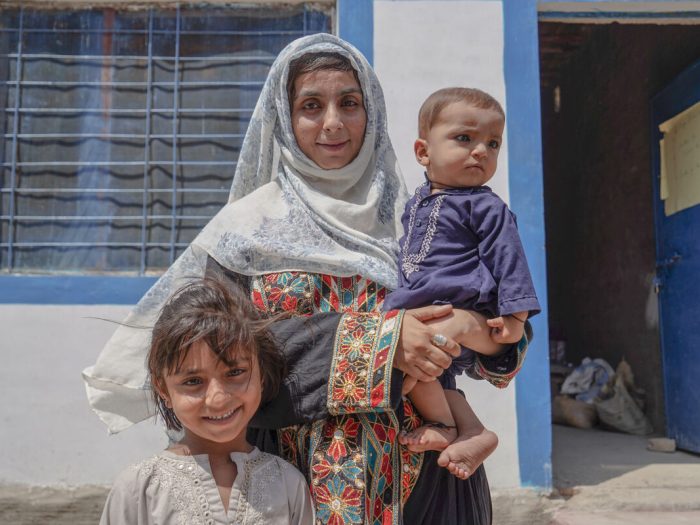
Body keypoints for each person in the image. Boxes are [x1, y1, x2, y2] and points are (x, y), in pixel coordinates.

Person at [84, 34, 530, 525]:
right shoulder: (248, 228)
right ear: (284, 116)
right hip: (290, 479)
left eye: (350, 103)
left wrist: (469, 327)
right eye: (311, 106)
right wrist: (383, 342)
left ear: (373, 114)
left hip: (426, 477)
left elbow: (501, 349)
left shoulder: (415, 219)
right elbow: (214, 347)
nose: (333, 123)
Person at [384, 88, 541, 467]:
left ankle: (443, 424)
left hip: (459, 307)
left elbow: (510, 260)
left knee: (418, 371)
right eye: (465, 138)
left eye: (493, 143)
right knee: (435, 377)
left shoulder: (485, 205)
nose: (481, 151)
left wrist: (517, 316)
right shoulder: (416, 200)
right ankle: (474, 431)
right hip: (424, 308)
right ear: (423, 152)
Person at [99, 278, 314, 524]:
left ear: (261, 375)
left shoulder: (287, 485)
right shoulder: (139, 490)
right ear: (164, 389)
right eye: (193, 381)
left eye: (235, 373)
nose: (218, 399)